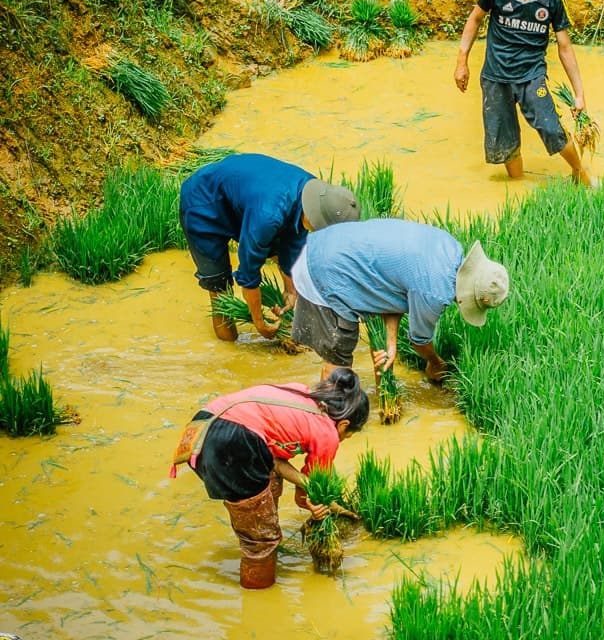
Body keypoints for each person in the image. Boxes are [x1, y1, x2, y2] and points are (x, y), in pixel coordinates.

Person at [172, 367, 369, 589]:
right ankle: (259, 599)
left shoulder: (301, 393)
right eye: (348, 435)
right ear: (343, 425)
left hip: (203, 426)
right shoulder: (328, 433)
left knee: (270, 480)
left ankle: (262, 526)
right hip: (232, 444)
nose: (342, 440)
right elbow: (305, 498)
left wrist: (318, 495)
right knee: (261, 541)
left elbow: (274, 461)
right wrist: (324, 505)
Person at [453, 0, 593, 187]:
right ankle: (517, 187)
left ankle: (580, 173)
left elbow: (565, 48)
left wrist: (579, 94)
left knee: (551, 126)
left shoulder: (553, 0)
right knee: (504, 140)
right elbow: (474, 20)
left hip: (531, 76)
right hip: (496, 76)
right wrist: (462, 62)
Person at [290, 217, 509, 384]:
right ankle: (325, 424)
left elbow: (393, 286)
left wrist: (391, 344)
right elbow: (419, 341)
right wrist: (435, 363)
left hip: (325, 243)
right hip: (324, 272)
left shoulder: (449, 247)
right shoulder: (435, 292)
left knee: (341, 357)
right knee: (338, 363)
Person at [179, 153, 361, 341]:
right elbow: (248, 274)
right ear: (313, 215)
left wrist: (291, 290)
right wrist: (259, 323)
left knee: (279, 247)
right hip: (202, 203)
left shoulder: (312, 193)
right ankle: (228, 350)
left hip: (242, 199)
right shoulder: (268, 216)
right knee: (220, 290)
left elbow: (293, 243)